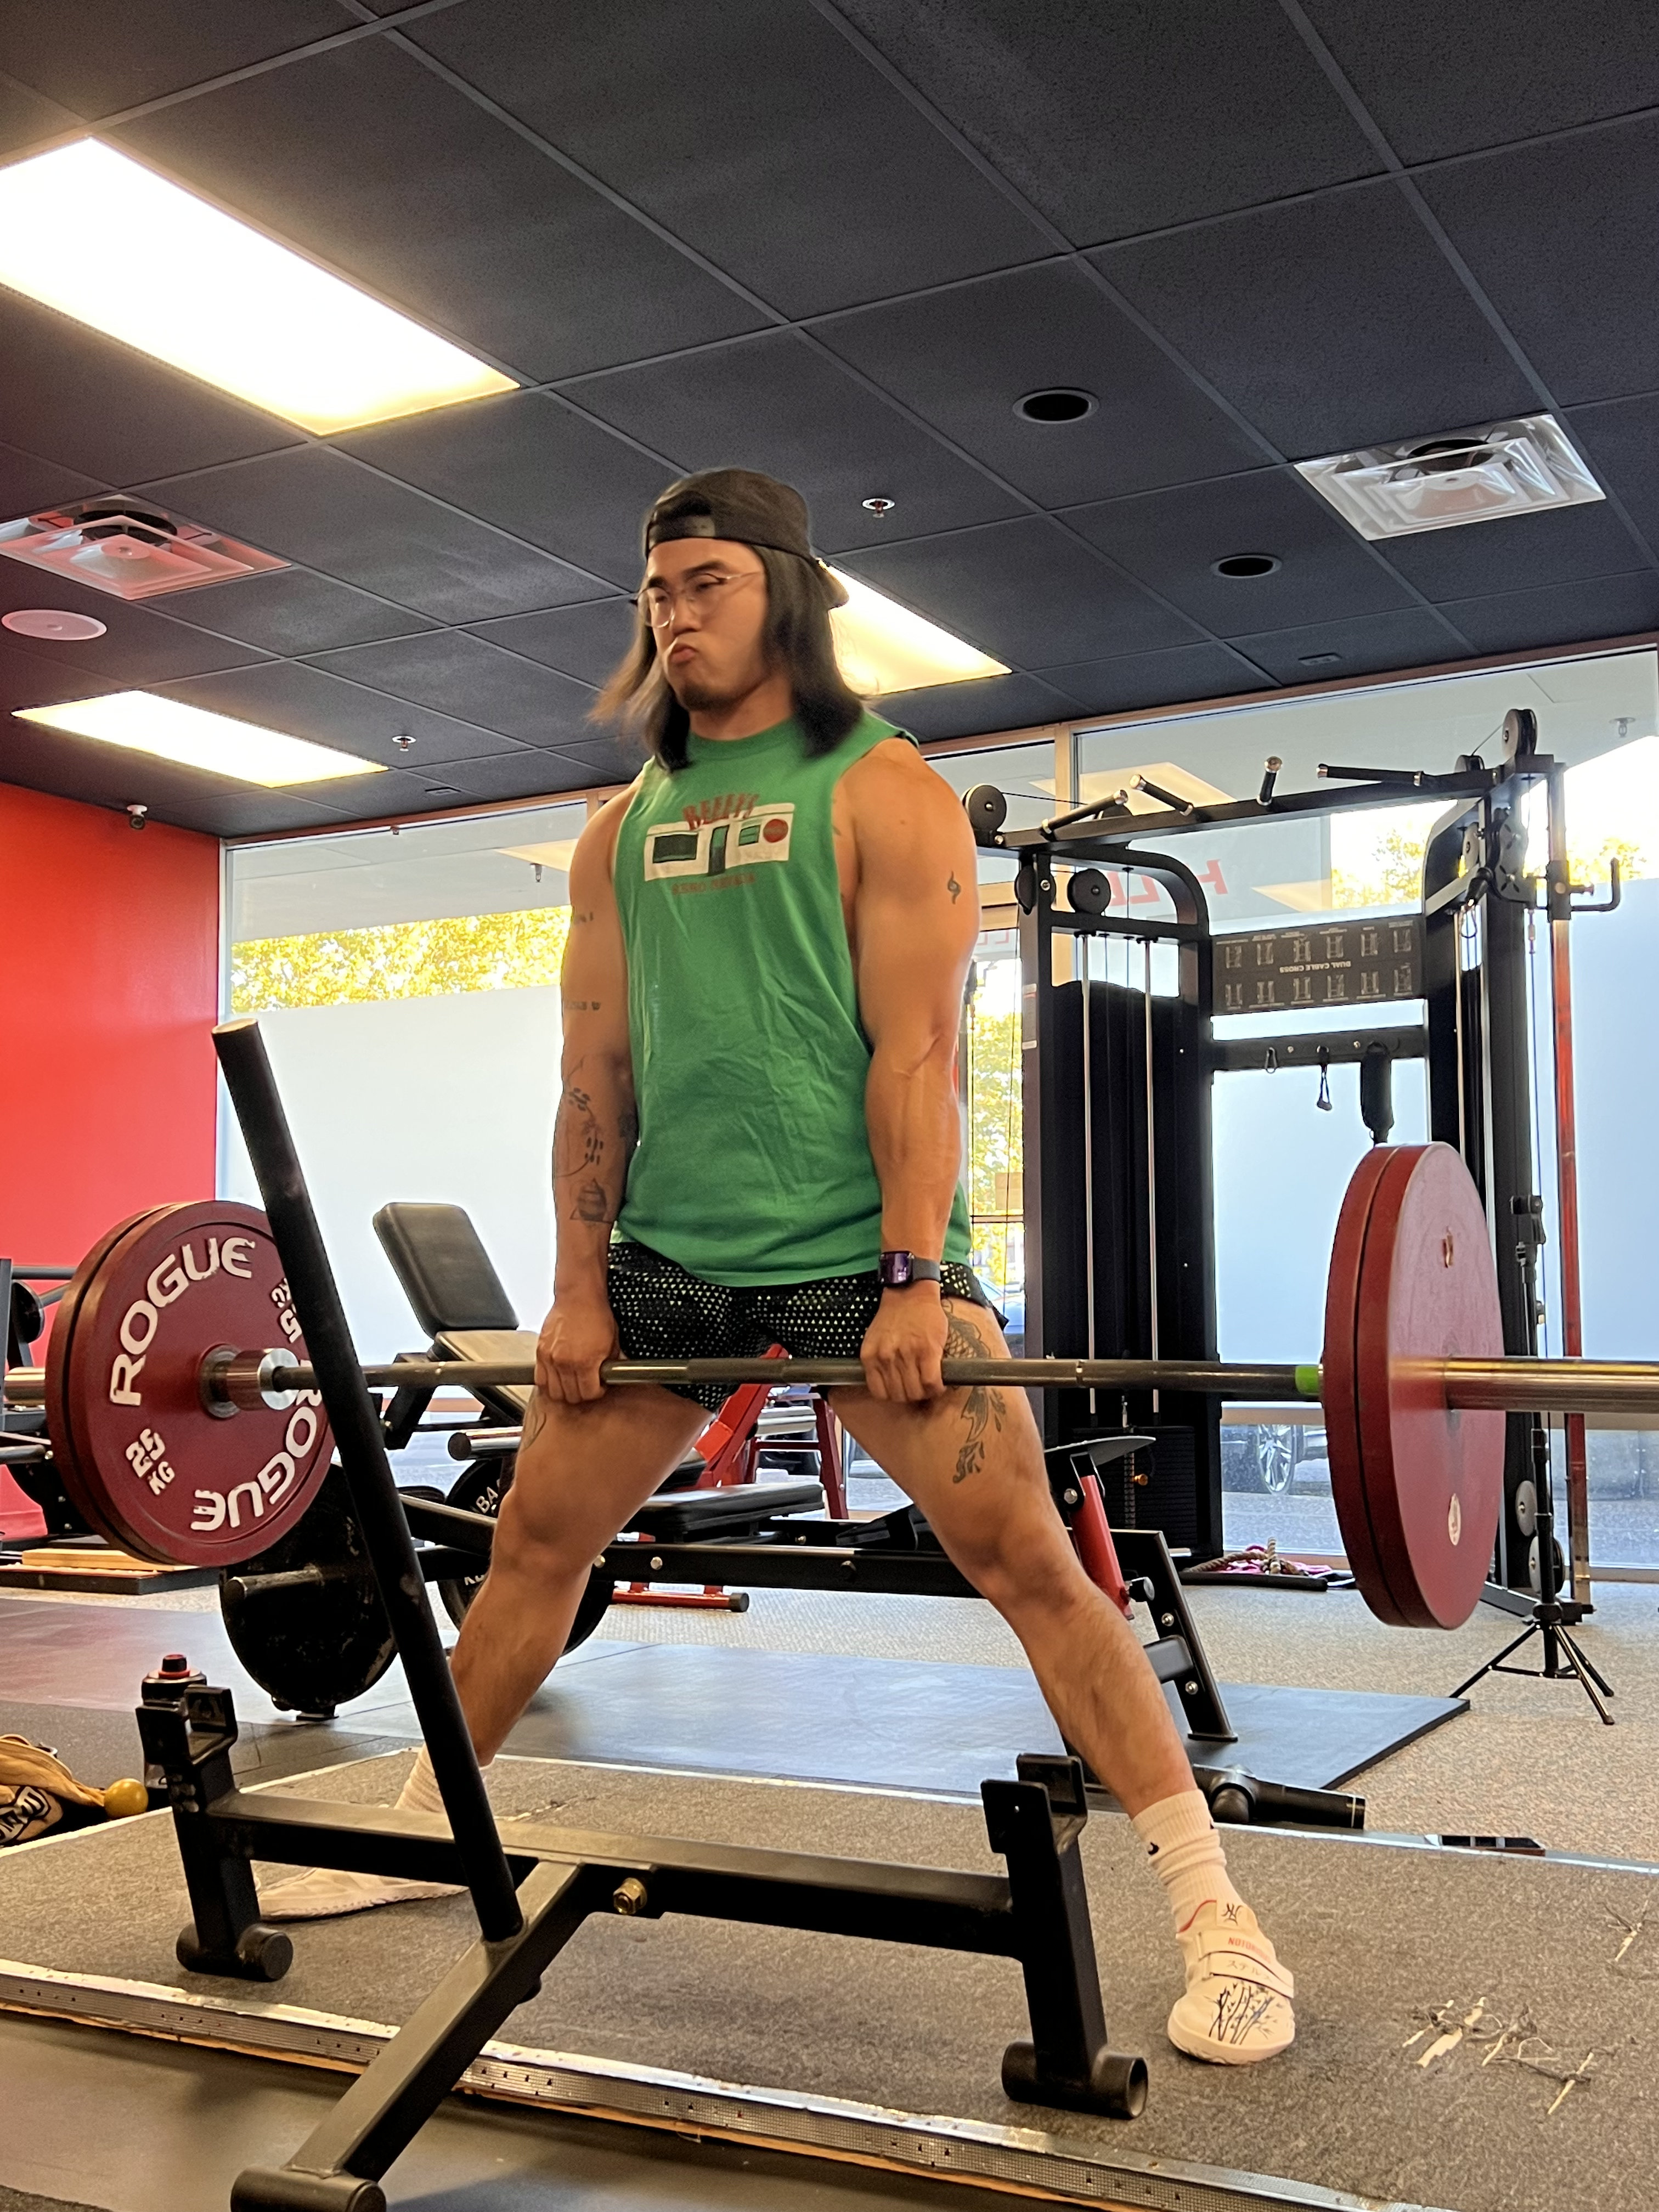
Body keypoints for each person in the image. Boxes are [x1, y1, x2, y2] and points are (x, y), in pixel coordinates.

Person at [266, 469, 1294, 2067]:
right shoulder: (621, 828)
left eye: (709, 586)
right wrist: (580, 1287)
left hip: (859, 1264)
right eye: (658, 591)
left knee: (1032, 1566)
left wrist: (911, 1274)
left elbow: (920, 1053)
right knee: (532, 1546)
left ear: (788, 596)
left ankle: (1215, 1908)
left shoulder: (885, 789)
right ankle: (423, 1829)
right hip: (669, 1261)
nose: (675, 617)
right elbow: (593, 1074)